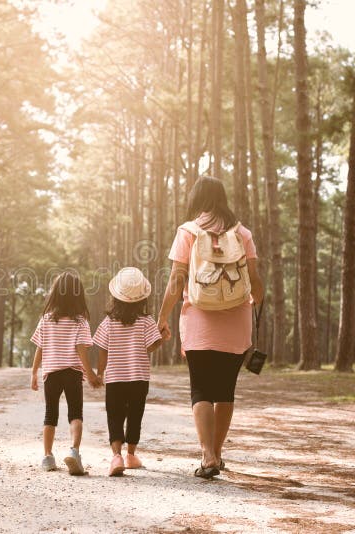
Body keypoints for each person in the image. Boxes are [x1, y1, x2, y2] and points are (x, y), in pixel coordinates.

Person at [157, 176, 265, 479]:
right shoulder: (243, 233)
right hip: (236, 321)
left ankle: (207, 456)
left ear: (197, 199)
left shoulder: (188, 231)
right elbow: (255, 282)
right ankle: (218, 453)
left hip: (199, 320)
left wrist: (163, 316)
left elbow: (177, 280)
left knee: (201, 388)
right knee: (225, 391)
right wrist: (254, 307)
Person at [93, 267, 163, 477]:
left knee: (114, 415)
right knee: (135, 415)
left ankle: (116, 456)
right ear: (142, 298)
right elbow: (150, 346)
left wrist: (100, 373)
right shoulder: (147, 321)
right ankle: (131, 455)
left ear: (116, 298)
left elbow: (103, 351)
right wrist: (162, 338)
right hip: (139, 378)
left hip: (115, 378)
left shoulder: (108, 323)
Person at [30, 272, 101, 475]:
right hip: (72, 372)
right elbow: (81, 350)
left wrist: (34, 372)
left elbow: (40, 348)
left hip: (51, 373)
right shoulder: (81, 322)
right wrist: (90, 374)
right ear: (78, 295)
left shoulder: (46, 320)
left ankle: (47, 456)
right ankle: (74, 452)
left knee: (50, 415)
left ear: (55, 294)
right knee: (75, 414)